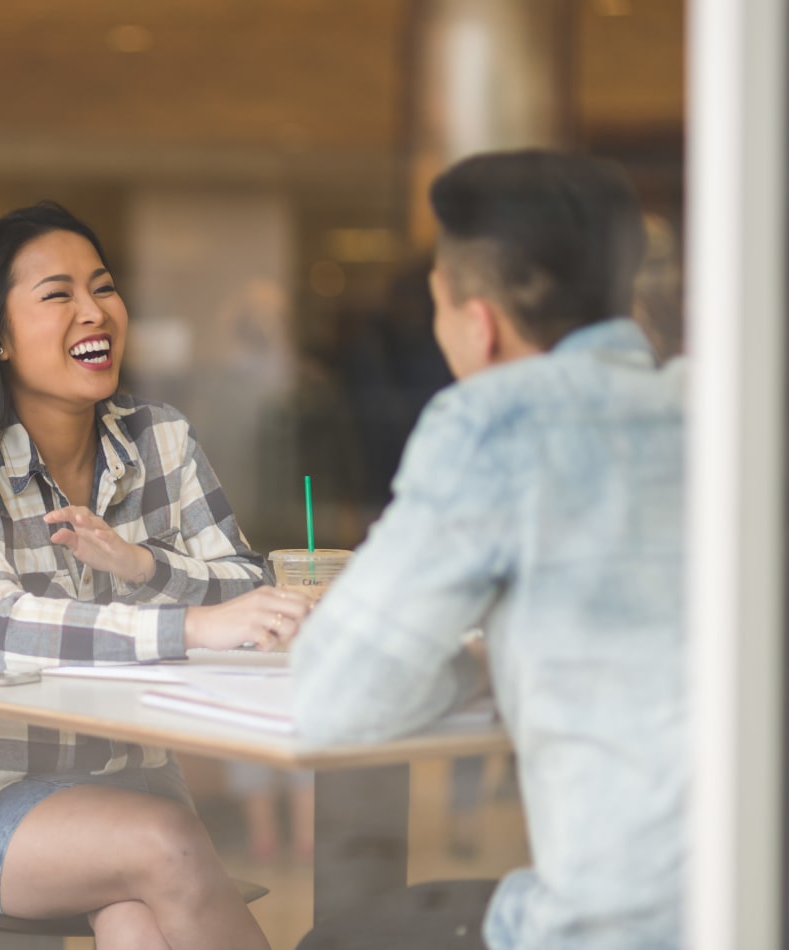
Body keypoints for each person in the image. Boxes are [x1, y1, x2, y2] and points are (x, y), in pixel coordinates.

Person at [0, 201, 311, 950]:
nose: (93, 311)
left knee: (139, 925)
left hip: (135, 788)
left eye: (102, 287)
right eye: (57, 294)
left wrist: (144, 565)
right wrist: (189, 624)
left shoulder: (159, 438)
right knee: (164, 845)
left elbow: (244, 587)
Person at [291, 150, 685, 949]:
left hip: (620, 925)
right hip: (746, 896)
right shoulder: (718, 401)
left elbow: (334, 700)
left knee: (332, 939)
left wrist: (470, 663)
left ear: (480, 324)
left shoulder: (497, 419)